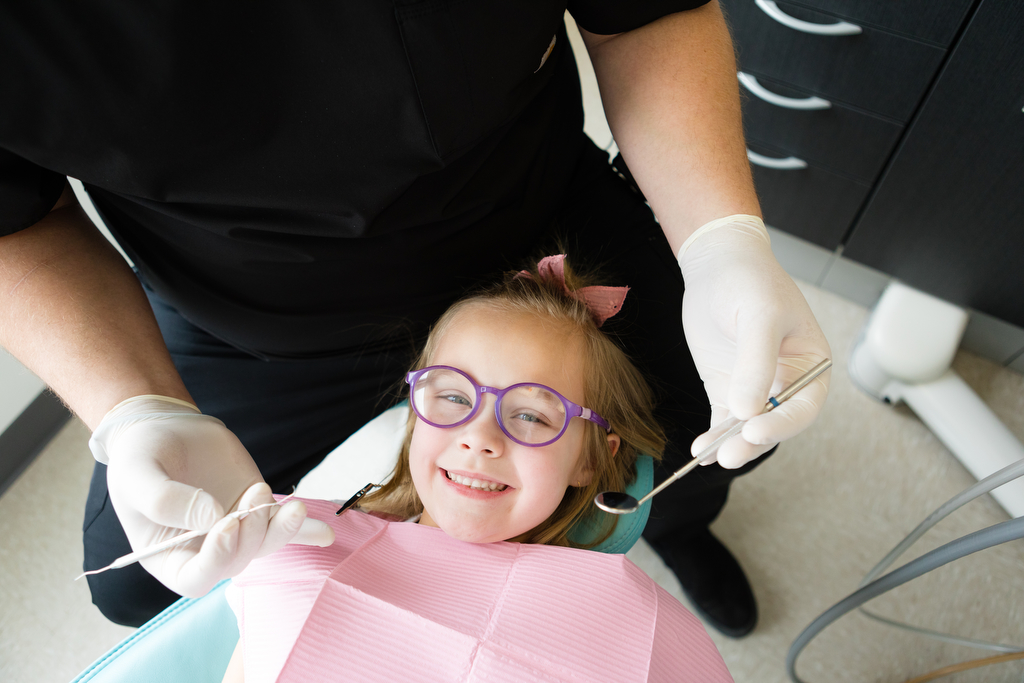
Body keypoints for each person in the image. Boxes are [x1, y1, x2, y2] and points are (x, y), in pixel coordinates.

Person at [0, 1, 831, 635]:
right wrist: (133, 406)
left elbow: (643, 15)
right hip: (246, 317)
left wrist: (721, 240)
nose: (475, 437)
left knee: (710, 427)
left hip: (533, 237)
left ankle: (674, 525)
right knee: (136, 583)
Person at [220, 257, 732, 683]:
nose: (480, 438)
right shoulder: (301, 551)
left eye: (531, 415)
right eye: (453, 396)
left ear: (589, 457)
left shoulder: (632, 628)